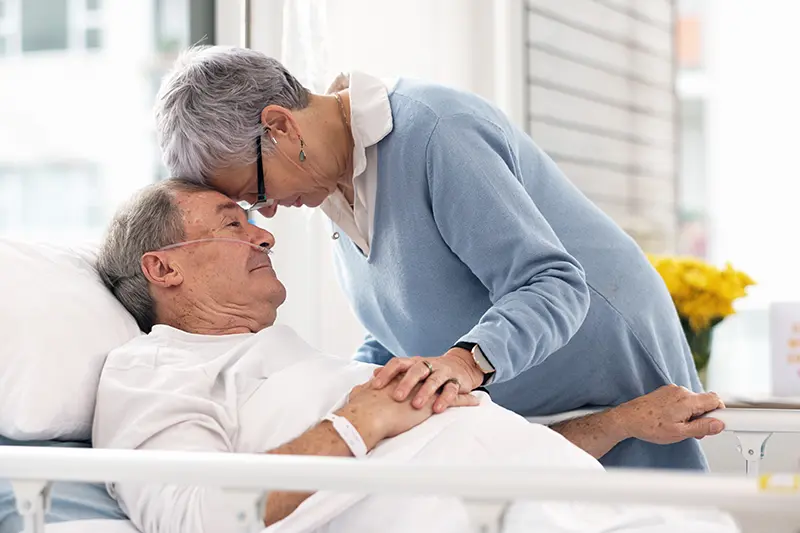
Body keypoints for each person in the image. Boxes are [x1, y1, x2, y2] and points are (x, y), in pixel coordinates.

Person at [153, 46, 709, 471]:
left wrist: (463, 364)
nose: (267, 216)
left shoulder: (435, 132)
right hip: (520, 412)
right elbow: (405, 322)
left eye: (257, 192)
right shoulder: (333, 189)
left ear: (280, 126)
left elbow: (556, 283)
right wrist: (360, 384)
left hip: (607, 376)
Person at [92, 180, 728, 533]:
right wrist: (355, 422)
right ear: (163, 268)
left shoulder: (303, 363)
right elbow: (193, 518)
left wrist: (618, 423)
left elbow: (458, 442)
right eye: (232, 223)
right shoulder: (152, 371)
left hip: (567, 500)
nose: (264, 231)